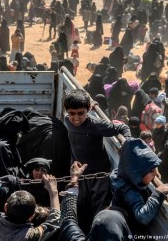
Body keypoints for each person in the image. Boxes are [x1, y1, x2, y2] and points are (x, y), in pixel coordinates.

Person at [63, 89, 131, 234]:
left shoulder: (96, 124)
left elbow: (122, 127)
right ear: (67, 112)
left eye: (81, 113)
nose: (75, 118)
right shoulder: (66, 120)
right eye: (72, 113)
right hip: (79, 174)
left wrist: (127, 144)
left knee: (98, 209)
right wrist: (89, 104)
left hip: (99, 175)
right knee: (80, 206)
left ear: (87, 110)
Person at [110, 138, 168, 237]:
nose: (156, 174)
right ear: (137, 174)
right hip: (129, 233)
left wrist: (152, 169)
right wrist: (157, 194)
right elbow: (143, 217)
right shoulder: (129, 191)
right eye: (151, 171)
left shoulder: (124, 174)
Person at [0, 176, 61, 241]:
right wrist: (53, 191)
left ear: (5, 207)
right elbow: (53, 222)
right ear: (31, 217)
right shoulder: (29, 236)